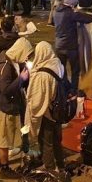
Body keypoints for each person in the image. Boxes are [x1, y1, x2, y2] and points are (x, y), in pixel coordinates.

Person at [0, 38, 33, 178]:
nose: (27, 57)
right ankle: (4, 168)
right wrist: (21, 79)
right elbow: (6, 90)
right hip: (6, 107)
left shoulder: (11, 58)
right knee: (3, 138)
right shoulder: (5, 66)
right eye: (26, 54)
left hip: (7, 105)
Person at [25, 41, 64, 170]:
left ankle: (50, 170)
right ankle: (61, 165)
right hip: (58, 109)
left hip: (47, 112)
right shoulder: (57, 64)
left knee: (46, 142)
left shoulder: (42, 74)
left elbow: (37, 100)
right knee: (57, 140)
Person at [53, 0, 92, 90]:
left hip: (58, 46)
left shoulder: (56, 11)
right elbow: (87, 19)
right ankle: (73, 90)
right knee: (75, 70)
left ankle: (64, 87)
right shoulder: (71, 13)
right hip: (70, 47)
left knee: (62, 69)